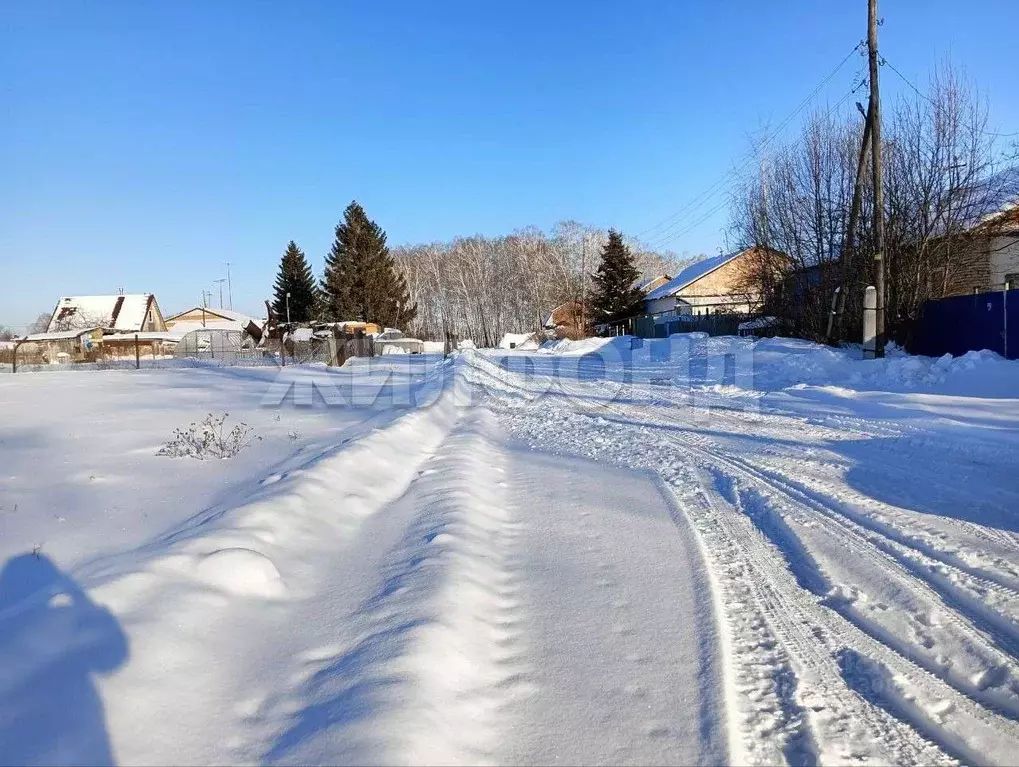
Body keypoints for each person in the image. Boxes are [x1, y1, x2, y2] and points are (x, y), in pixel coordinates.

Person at [0, 553, 128, 766]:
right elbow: (114, 655)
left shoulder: (57, 623)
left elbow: (113, 654)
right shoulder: (67, 621)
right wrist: (79, 596)